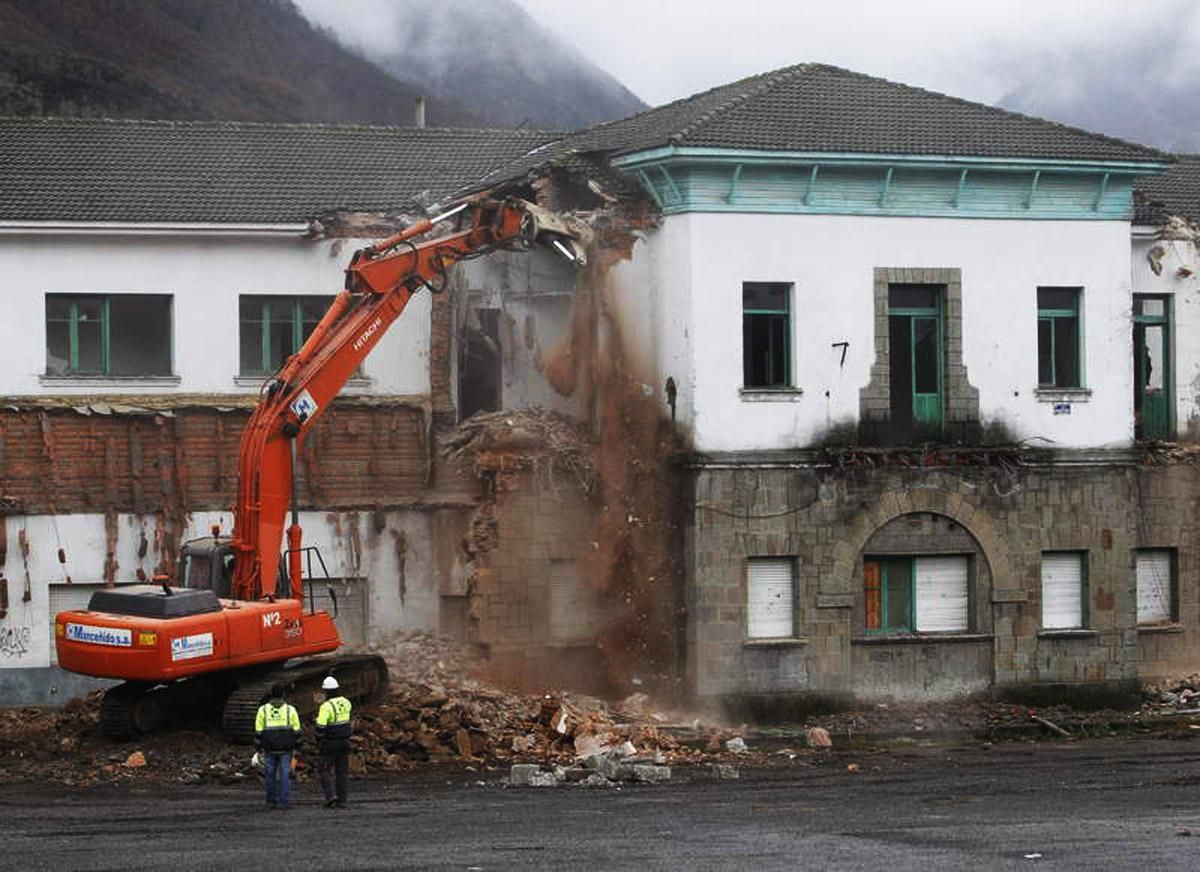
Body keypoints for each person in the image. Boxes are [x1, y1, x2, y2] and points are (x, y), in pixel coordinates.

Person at [254, 684, 301, 810]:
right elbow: (297, 730)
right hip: (286, 747)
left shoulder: (263, 710)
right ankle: (283, 802)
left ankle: (271, 801)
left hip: (269, 747)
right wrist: (298, 746)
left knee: (269, 774)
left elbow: (258, 731)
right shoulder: (290, 710)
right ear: (283, 695)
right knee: (285, 774)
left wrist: (258, 747)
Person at [315, 675, 353, 809]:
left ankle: (331, 796)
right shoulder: (346, 702)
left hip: (331, 742)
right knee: (341, 771)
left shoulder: (326, 706)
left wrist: (318, 740)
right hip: (345, 741)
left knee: (324, 768)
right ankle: (342, 800)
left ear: (327, 691)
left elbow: (320, 726)